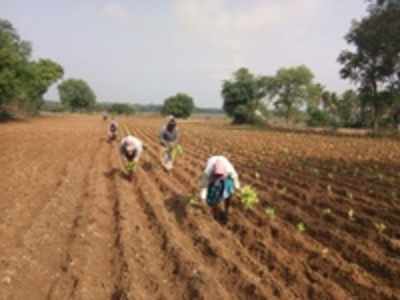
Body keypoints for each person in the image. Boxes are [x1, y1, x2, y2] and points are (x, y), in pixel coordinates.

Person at [200, 156, 240, 223]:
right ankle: (213, 204)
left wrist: (237, 188)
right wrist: (203, 198)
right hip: (212, 175)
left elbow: (235, 178)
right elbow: (204, 186)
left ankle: (226, 209)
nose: (218, 178)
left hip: (226, 175)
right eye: (217, 176)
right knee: (212, 191)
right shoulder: (208, 171)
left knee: (229, 187)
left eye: (220, 176)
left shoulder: (228, 168)